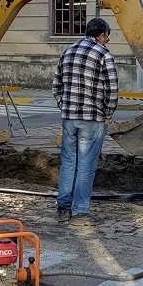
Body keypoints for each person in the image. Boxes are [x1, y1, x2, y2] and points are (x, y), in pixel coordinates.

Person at [52, 17, 119, 226]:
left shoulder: (69, 51)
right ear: (101, 35)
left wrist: (65, 105)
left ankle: (63, 208)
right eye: (106, 37)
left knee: (68, 163)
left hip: (69, 118)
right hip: (93, 119)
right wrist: (108, 112)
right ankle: (80, 210)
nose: (106, 40)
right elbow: (113, 89)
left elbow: (56, 85)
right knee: (86, 166)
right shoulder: (103, 54)